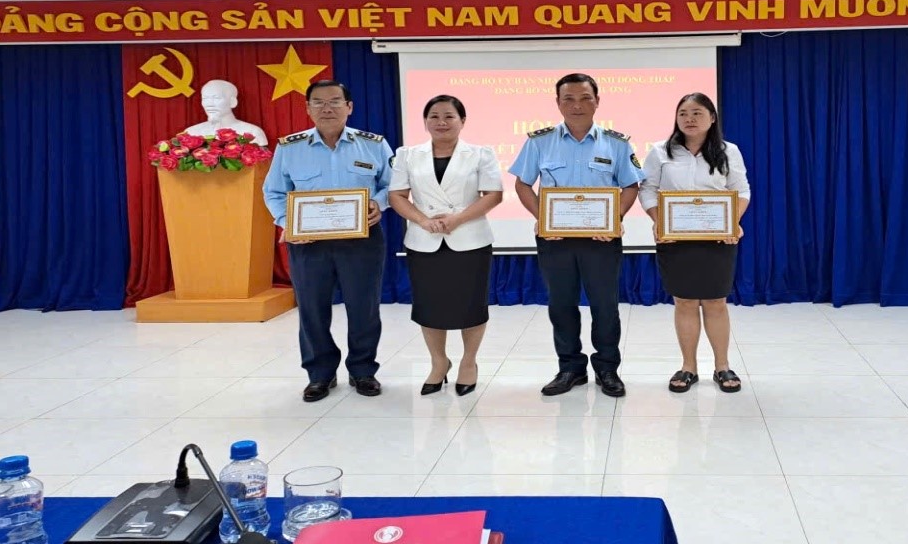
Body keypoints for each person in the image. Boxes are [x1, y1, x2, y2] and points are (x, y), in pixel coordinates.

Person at [509, 73, 644, 398]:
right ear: (558, 103)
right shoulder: (539, 142)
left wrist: (614, 219)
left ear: (597, 102)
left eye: (585, 98)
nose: (577, 105)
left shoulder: (616, 143)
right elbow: (522, 184)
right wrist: (543, 218)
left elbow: (630, 186)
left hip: (602, 240)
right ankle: (570, 368)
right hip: (555, 240)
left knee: (605, 306)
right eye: (568, 99)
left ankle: (607, 368)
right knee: (561, 305)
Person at [262, 80, 392, 402]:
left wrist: (379, 203)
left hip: (362, 240)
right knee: (312, 309)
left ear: (349, 107)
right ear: (307, 109)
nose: (327, 108)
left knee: (364, 308)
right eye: (318, 102)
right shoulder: (289, 148)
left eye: (335, 101)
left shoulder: (373, 145)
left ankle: (363, 370)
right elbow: (273, 192)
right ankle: (319, 374)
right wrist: (288, 222)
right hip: (308, 243)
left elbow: (393, 185)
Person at [388, 95, 503, 397]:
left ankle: (468, 362)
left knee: (471, 305)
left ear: (462, 121)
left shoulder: (480, 154)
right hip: (424, 239)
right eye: (434, 116)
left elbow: (493, 194)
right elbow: (397, 196)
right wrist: (423, 220)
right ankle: (439, 362)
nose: (441, 122)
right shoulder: (407, 155)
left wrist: (457, 219)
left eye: (449, 116)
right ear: (425, 121)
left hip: (470, 239)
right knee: (429, 306)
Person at [640, 92, 750, 393]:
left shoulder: (728, 151)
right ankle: (688, 367)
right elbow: (647, 189)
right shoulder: (660, 151)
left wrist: (732, 222)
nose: (689, 119)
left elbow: (741, 190)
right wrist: (658, 221)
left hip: (717, 237)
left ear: (712, 118)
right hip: (675, 238)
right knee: (685, 301)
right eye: (683, 114)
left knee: (716, 302)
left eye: (697, 113)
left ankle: (722, 366)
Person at [185, 79, 268, 145]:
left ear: (233, 102)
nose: (209, 104)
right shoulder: (191, 132)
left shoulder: (252, 132)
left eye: (216, 98)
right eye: (205, 98)